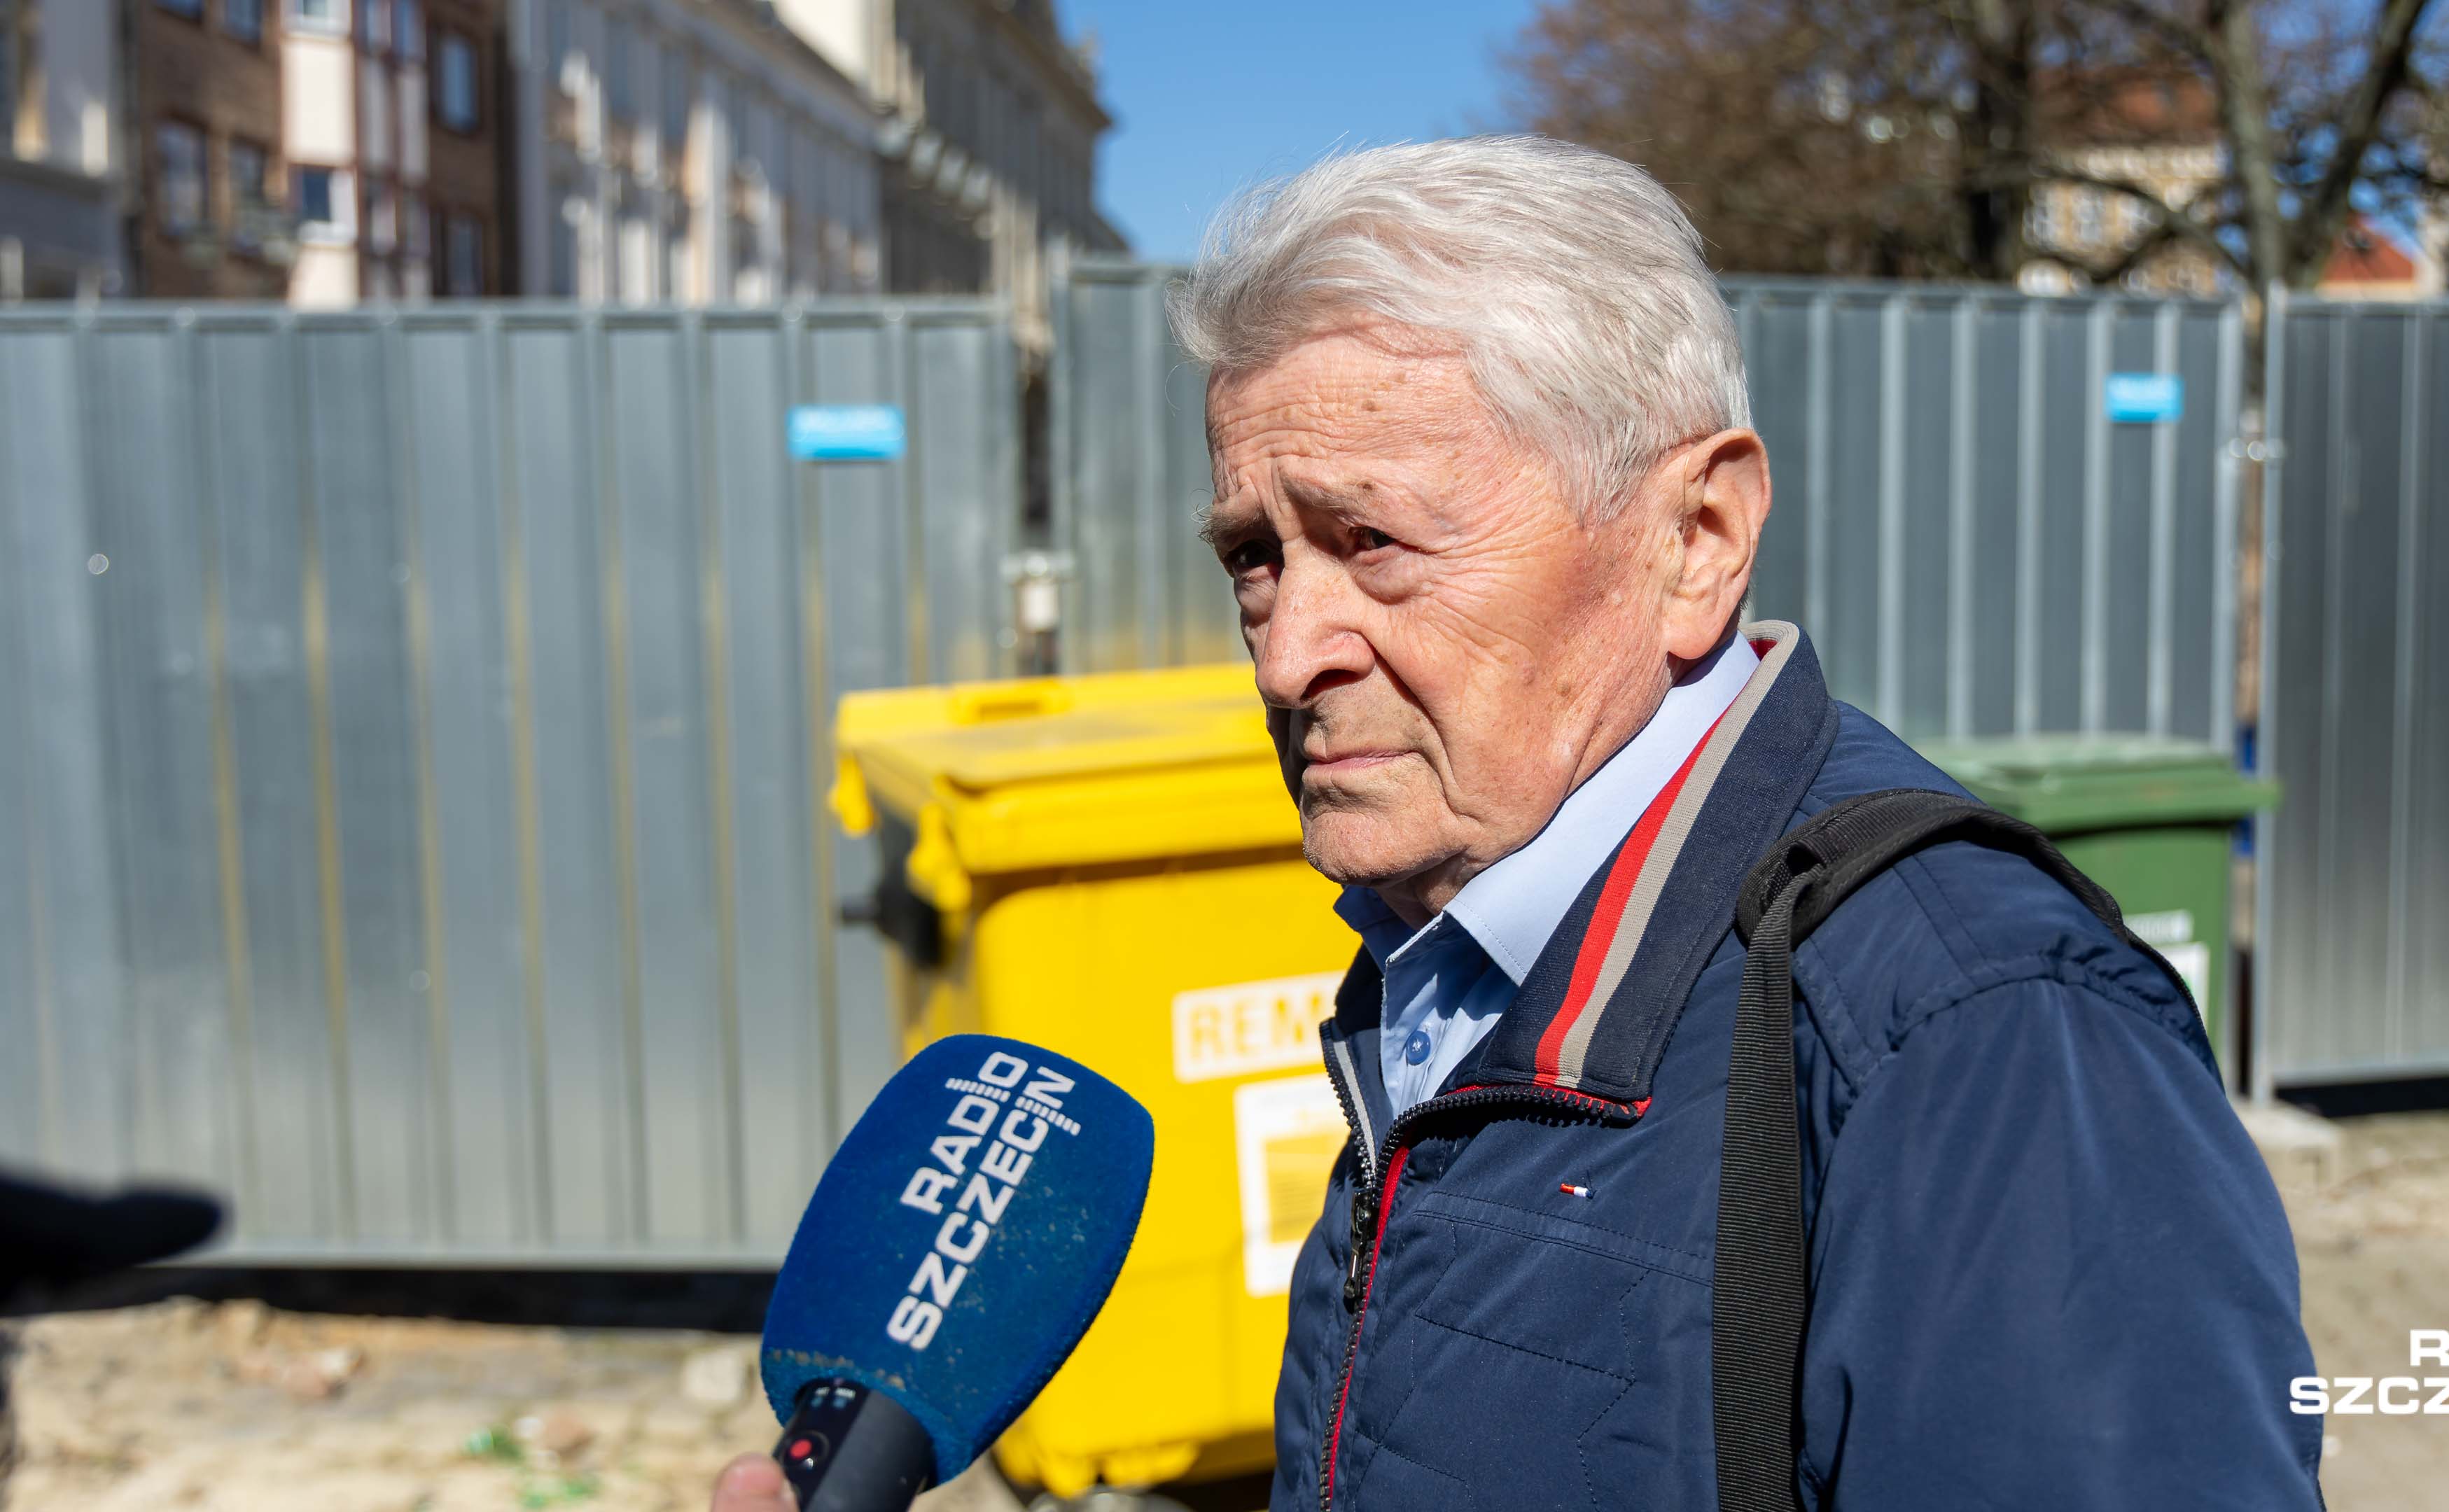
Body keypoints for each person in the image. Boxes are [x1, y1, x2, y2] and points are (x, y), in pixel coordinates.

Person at [713, 134, 2321, 1511]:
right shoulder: (1450, 934)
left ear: (1696, 538)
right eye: (1256, 558)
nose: (1286, 654)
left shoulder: (1973, 1035)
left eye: (1373, 542)